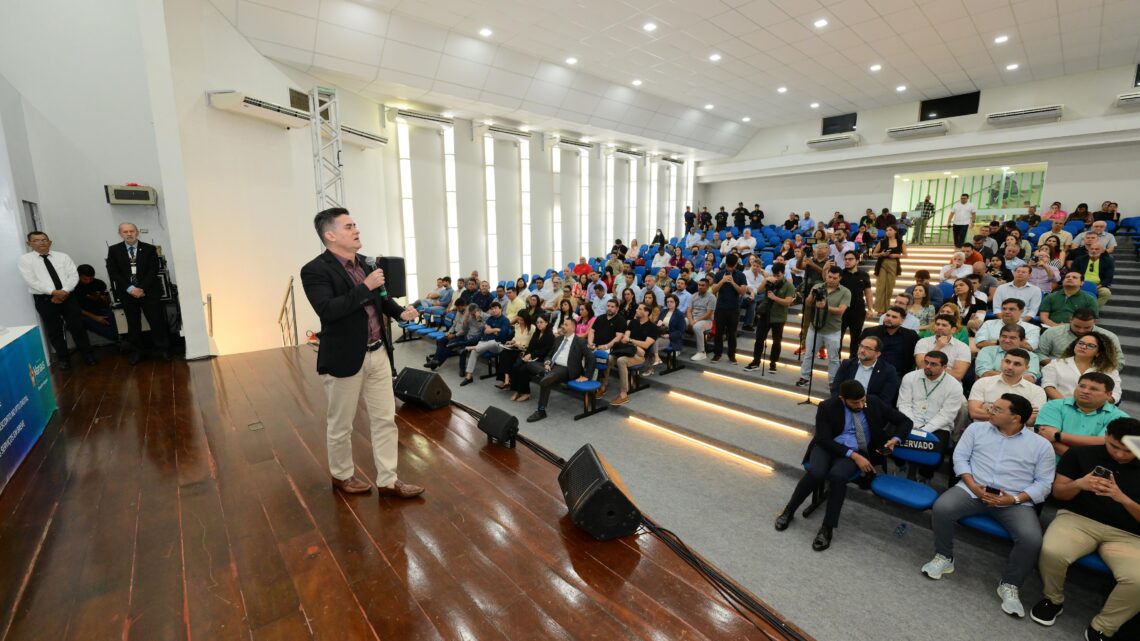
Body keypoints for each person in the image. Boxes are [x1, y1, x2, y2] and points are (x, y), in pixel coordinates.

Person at [299, 207, 423, 498]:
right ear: (330, 235)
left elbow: (381, 298)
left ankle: (389, 480)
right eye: (348, 226)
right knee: (341, 425)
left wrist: (400, 312)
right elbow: (329, 311)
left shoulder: (366, 265)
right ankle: (342, 476)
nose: (356, 230)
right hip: (345, 357)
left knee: (385, 419)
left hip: (377, 352)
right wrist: (366, 287)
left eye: (355, 224)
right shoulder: (315, 270)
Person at [921, 394, 1055, 618]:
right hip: (972, 490)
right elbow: (960, 458)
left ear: (1016, 418)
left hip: (1014, 501)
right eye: (992, 406)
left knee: (1032, 539)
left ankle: (1010, 583)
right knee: (942, 508)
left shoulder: (1041, 446)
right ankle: (944, 557)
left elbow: (1044, 484)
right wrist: (973, 486)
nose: (989, 410)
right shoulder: (976, 429)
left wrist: (1013, 499)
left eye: (997, 409)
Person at [1031, 417, 1140, 640]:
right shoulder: (1081, 454)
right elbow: (1059, 494)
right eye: (1114, 447)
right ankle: (1053, 599)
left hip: (1128, 534)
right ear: (1107, 436)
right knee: (1052, 551)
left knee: (1137, 578)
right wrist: (1079, 484)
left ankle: (1104, 626)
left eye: (1127, 450)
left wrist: (1123, 499)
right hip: (1078, 519)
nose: (1119, 455)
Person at [774, 380, 911, 551]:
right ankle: (789, 510)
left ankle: (827, 528)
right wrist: (853, 456)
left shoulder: (873, 402)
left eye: (863, 400)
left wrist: (895, 439)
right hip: (829, 446)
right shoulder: (827, 406)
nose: (861, 405)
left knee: (838, 477)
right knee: (816, 472)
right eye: (855, 402)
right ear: (842, 398)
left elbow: (905, 421)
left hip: (857, 449)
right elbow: (823, 439)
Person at [18, 231, 97, 368]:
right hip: (45, 300)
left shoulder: (63, 257)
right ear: (29, 243)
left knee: (78, 327)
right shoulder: (25, 260)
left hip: (68, 297)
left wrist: (64, 292)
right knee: (54, 330)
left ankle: (88, 355)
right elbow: (31, 281)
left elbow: (73, 276)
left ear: (50, 242)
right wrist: (53, 292)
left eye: (44, 239)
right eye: (36, 240)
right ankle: (64, 359)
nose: (41, 242)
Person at [105, 222, 171, 363]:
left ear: (137, 232)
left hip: (148, 292)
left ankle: (163, 349)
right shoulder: (114, 250)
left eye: (132, 231)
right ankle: (137, 352)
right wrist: (130, 289)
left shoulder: (149, 249)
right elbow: (113, 272)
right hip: (127, 293)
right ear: (120, 234)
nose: (129, 234)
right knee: (133, 323)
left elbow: (153, 271)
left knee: (157, 321)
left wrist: (141, 288)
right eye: (125, 232)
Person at [897, 351, 965, 483]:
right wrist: (913, 425)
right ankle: (902, 466)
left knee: (936, 456)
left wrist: (925, 430)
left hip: (938, 426)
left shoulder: (954, 386)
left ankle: (924, 476)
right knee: (892, 440)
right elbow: (903, 404)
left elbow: (947, 415)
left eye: (933, 364)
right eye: (926, 362)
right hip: (910, 420)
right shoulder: (910, 377)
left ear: (945, 367)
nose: (928, 366)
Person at [1036, 372, 1129, 458]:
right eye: (1082, 386)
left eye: (1093, 389)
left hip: (1091, 471)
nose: (1085, 391)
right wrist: (1083, 459)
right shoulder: (1054, 405)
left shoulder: (1120, 418)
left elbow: (1103, 444)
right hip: (1048, 465)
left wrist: (1059, 436)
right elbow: (1047, 438)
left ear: (1109, 395)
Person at [524, 317, 595, 423]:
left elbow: (591, 358)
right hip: (552, 366)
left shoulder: (579, 341)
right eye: (563, 324)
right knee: (529, 365)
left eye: (566, 325)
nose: (563, 326)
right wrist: (547, 362)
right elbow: (549, 355)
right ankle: (546, 373)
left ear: (573, 327)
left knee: (546, 380)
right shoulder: (558, 339)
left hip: (566, 369)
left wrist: (587, 376)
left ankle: (541, 410)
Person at [796, 267, 850, 387]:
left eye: (834, 278)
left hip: (832, 330)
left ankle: (833, 381)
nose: (831, 280)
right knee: (809, 354)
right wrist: (811, 296)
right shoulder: (818, 287)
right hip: (815, 327)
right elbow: (808, 304)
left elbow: (841, 310)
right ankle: (804, 376)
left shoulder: (845, 292)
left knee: (834, 358)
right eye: (829, 277)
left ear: (840, 278)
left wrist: (825, 306)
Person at [968, 350, 1049, 426]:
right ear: (1002, 362)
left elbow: (1031, 421)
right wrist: (1019, 415)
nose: (1010, 367)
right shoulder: (983, 383)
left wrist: (990, 408)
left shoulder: (1037, 391)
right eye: (1007, 362)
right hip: (984, 432)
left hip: (1019, 437)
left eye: (1017, 364)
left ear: (1026, 368)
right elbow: (974, 413)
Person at [1042, 332, 1122, 403]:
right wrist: (1067, 405)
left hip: (1094, 410)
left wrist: (1092, 404)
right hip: (1060, 405)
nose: (1083, 347)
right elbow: (1048, 387)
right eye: (1080, 343)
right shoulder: (1056, 364)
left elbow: (1115, 395)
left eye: (1090, 345)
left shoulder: (1109, 370)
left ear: (1098, 352)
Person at [744, 264, 796, 373]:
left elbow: (787, 302)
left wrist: (774, 297)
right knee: (759, 340)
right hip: (765, 315)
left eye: (778, 275)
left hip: (779, 317)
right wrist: (765, 281)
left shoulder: (789, 286)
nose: (776, 277)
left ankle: (773, 363)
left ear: (783, 274)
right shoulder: (769, 281)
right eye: (774, 275)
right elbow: (759, 290)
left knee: (777, 341)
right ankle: (756, 362)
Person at [609, 303, 659, 407]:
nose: (636, 310)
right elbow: (624, 339)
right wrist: (636, 346)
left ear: (646, 312)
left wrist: (631, 341)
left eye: (639, 309)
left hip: (640, 357)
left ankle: (623, 394)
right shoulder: (633, 322)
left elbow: (645, 345)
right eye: (637, 308)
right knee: (609, 358)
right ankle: (603, 385)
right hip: (628, 350)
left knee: (621, 360)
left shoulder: (653, 327)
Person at [1038, 309, 1125, 367]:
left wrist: (1094, 370)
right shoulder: (1052, 332)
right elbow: (1039, 354)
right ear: (1070, 319)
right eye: (1077, 326)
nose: (1081, 331)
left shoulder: (1109, 336)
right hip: (1055, 370)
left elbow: (1119, 362)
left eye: (1087, 328)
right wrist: (1058, 366)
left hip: (1094, 374)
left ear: (1094, 322)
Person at [829, 336, 900, 404]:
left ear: (877, 354)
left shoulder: (888, 370)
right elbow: (836, 389)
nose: (862, 350)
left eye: (868, 348)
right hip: (845, 404)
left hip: (871, 409)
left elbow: (886, 398)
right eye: (861, 346)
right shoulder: (847, 364)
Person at [459, 301, 512, 386]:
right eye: (492, 309)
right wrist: (495, 330)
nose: (493, 310)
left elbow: (502, 335)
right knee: (474, 352)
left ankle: (472, 347)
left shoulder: (505, 320)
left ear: (500, 309)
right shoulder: (490, 318)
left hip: (498, 345)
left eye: (495, 308)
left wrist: (491, 330)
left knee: (492, 343)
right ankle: (469, 377)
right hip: (484, 343)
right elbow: (484, 331)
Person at [710, 253, 747, 364]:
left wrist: (733, 282)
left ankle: (732, 356)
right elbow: (713, 290)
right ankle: (717, 354)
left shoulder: (741, 275)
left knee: (732, 334)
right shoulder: (719, 274)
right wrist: (723, 280)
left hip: (734, 308)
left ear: (736, 264)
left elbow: (742, 292)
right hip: (720, 308)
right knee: (718, 333)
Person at [861, 306, 920, 376]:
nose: (889, 318)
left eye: (894, 317)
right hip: (871, 372)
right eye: (887, 315)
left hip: (898, 375)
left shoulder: (911, 336)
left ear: (902, 321)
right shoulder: (870, 332)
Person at [975, 324, 1043, 382]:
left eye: (1012, 338)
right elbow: (986, 374)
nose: (1007, 340)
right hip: (989, 388)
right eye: (1004, 336)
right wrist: (1017, 376)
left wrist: (995, 373)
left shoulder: (1032, 356)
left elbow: (1029, 379)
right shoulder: (986, 351)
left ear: (1022, 340)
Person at [425, 303, 482, 370]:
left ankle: (434, 364)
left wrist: (455, 335)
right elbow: (456, 324)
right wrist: (449, 332)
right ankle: (434, 361)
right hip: (458, 334)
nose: (457, 309)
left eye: (458, 308)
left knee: (449, 345)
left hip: (464, 336)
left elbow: (466, 330)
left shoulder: (477, 316)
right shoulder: (466, 315)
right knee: (441, 341)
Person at [914, 315, 971, 381]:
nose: (939, 327)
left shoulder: (963, 347)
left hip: (949, 383)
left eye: (944, 325)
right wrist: (937, 347)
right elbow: (921, 368)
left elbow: (957, 375)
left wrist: (932, 369)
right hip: (923, 380)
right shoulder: (923, 342)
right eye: (937, 324)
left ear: (953, 330)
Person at [73, 264, 118, 343]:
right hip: (84, 313)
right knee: (84, 321)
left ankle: (120, 337)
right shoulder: (73, 287)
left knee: (114, 314)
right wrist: (96, 317)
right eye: (85, 279)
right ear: (79, 276)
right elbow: (75, 308)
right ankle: (118, 337)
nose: (88, 281)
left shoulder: (99, 283)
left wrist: (100, 298)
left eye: (91, 278)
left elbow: (108, 302)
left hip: (101, 309)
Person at [975, 298, 1040, 350]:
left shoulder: (1033, 328)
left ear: (1021, 311)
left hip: (1017, 359)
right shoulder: (989, 323)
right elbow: (979, 343)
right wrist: (1015, 342)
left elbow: (1030, 347)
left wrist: (992, 342)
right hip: (990, 357)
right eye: (1004, 309)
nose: (1007, 312)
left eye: (1011, 309)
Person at [1068, 242, 1114, 310]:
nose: (1094, 251)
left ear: (1102, 251)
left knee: (1106, 293)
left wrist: (1096, 287)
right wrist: (1079, 284)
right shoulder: (1079, 260)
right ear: (1088, 250)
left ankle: (1092, 310)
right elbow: (1073, 273)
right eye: (1092, 249)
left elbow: (1108, 278)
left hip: (1098, 286)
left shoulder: (1108, 261)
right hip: (1079, 284)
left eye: (1097, 249)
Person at [871, 225, 904, 314]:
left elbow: (905, 254)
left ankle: (886, 308)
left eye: (890, 230)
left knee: (890, 287)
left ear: (895, 231)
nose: (888, 232)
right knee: (880, 287)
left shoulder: (900, 242)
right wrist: (881, 254)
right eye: (886, 230)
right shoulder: (882, 241)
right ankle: (879, 309)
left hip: (893, 264)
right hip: (882, 263)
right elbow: (874, 254)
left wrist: (896, 255)